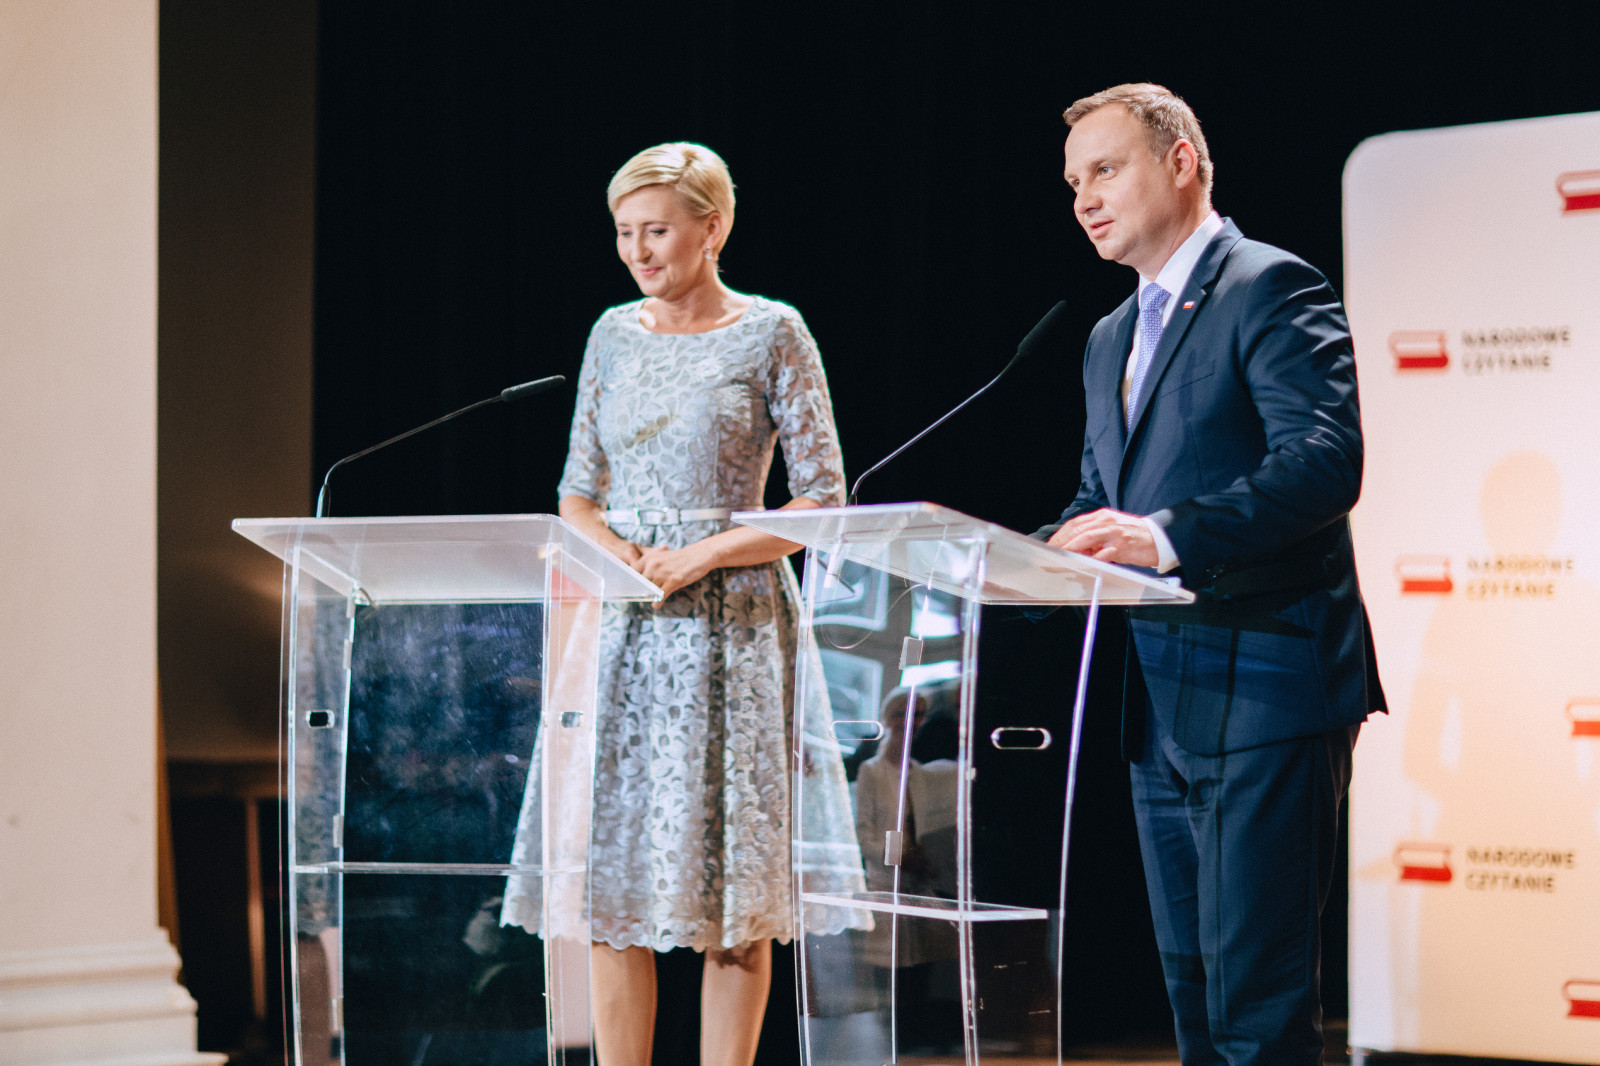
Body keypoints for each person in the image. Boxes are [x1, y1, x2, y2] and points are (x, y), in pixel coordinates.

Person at [1037, 85, 1385, 1065]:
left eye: (1105, 170)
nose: (1084, 199)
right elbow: (1096, 499)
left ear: (1181, 161)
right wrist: (1025, 552)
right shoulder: (1109, 335)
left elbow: (1323, 461)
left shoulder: (1268, 285)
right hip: (1162, 705)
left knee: (1255, 1015)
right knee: (1195, 1008)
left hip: (1268, 683)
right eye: (1072, 182)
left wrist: (1162, 536)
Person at [503, 142, 862, 1066]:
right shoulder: (611, 334)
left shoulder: (773, 331)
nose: (637, 251)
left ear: (714, 228)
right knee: (613, 890)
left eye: (656, 230)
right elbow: (576, 492)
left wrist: (702, 554)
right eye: (624, 232)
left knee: (734, 896)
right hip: (625, 627)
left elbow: (822, 500)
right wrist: (616, 552)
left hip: (732, 627)